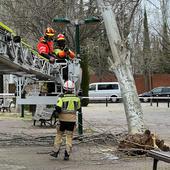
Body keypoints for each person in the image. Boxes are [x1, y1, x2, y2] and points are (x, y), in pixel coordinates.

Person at [50, 80, 81, 160]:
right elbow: (78, 108)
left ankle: (55, 151)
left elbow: (58, 108)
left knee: (59, 135)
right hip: (72, 121)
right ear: (72, 89)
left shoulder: (61, 98)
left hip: (62, 120)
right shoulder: (77, 98)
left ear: (64, 89)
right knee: (69, 136)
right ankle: (67, 154)